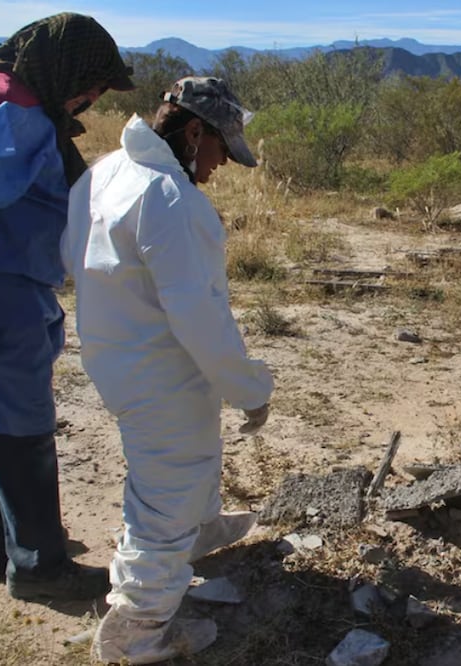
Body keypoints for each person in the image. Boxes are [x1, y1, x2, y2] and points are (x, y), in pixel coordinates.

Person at [61, 77, 274, 663]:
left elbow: (70, 255)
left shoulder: (105, 171)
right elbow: (199, 315)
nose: (221, 165)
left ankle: (199, 531)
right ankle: (140, 627)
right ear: (194, 130)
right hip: (163, 370)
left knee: (185, 458)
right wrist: (249, 387)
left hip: (117, 356)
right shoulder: (170, 196)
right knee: (169, 487)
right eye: (220, 150)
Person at [0, 13, 134, 602]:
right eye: (91, 84)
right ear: (63, 65)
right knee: (24, 424)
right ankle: (40, 566)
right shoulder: (12, 113)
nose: (90, 99)